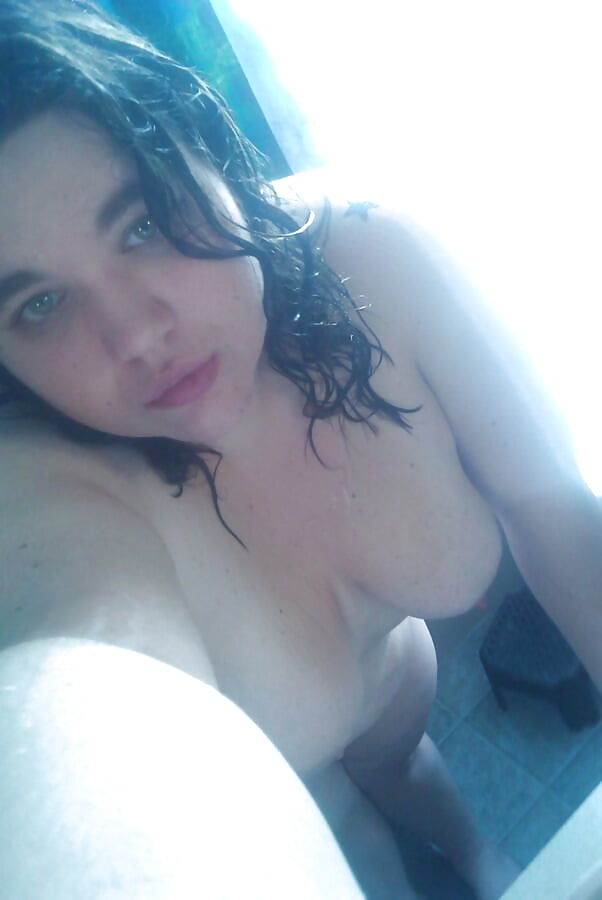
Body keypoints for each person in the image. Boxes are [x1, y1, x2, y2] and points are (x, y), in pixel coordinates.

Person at [0, 1, 600, 897]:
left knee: (410, 777)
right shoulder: (43, 498)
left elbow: (555, 510)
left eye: (145, 222)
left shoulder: (371, 253)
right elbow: (85, 716)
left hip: (395, 688)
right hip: (297, 776)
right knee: (366, 850)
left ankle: (475, 854)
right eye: (39, 305)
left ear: (209, 150)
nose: (134, 337)